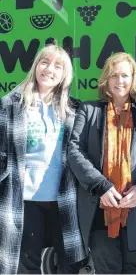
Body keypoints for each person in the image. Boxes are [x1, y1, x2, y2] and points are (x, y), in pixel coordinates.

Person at [67, 52, 136, 274]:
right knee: (106, 267)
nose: (119, 81)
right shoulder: (89, 110)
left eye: (125, 75)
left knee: (132, 267)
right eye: (114, 75)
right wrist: (100, 186)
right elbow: (75, 150)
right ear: (106, 79)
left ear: (133, 79)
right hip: (99, 207)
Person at [0, 44, 86, 274]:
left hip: (63, 197)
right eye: (44, 62)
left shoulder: (73, 109)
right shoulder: (10, 104)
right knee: (26, 266)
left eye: (58, 66)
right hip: (25, 199)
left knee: (71, 264)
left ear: (64, 74)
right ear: (36, 66)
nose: (49, 69)